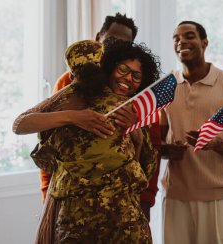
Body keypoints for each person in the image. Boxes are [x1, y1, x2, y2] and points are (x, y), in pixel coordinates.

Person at [13, 39, 161, 243]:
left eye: (136, 75)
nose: (128, 77)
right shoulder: (75, 95)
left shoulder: (134, 110)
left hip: (123, 216)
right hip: (79, 216)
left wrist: (138, 140)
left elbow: (145, 171)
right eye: (123, 69)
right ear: (108, 67)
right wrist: (75, 116)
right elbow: (20, 124)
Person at [41, 13, 161, 220]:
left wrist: (146, 200)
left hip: (121, 204)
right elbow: (47, 137)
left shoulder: (137, 90)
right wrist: (47, 194)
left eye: (123, 45)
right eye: (111, 40)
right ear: (98, 38)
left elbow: (152, 150)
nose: (114, 48)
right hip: (72, 202)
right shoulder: (70, 84)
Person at [160, 21, 223, 243]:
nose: (181, 40)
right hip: (175, 196)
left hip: (219, 199)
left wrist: (216, 144)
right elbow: (158, 142)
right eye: (176, 38)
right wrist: (167, 150)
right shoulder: (166, 85)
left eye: (189, 35)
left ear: (205, 42)